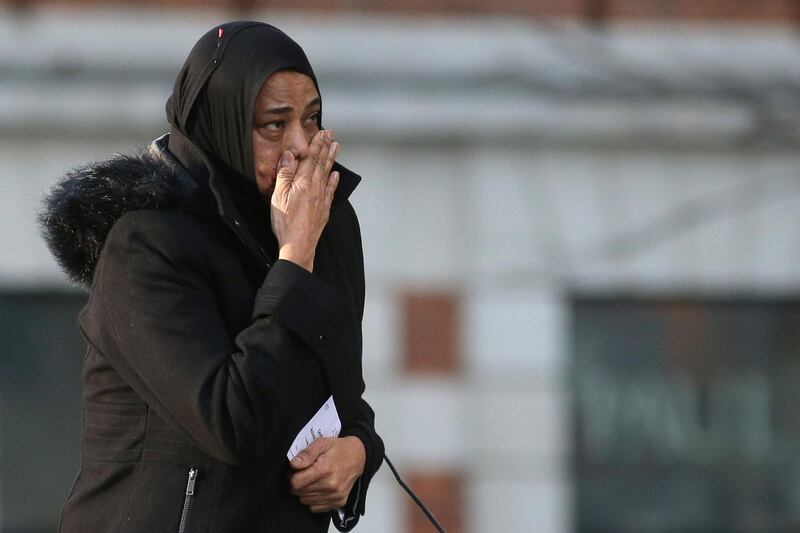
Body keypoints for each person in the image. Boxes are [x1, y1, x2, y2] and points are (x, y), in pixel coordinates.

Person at [40, 21, 384, 532]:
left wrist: (358, 452)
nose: (301, 147)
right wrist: (294, 258)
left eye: (312, 120)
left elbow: (340, 394)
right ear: (220, 125)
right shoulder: (148, 246)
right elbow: (232, 424)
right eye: (274, 125)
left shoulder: (324, 229)